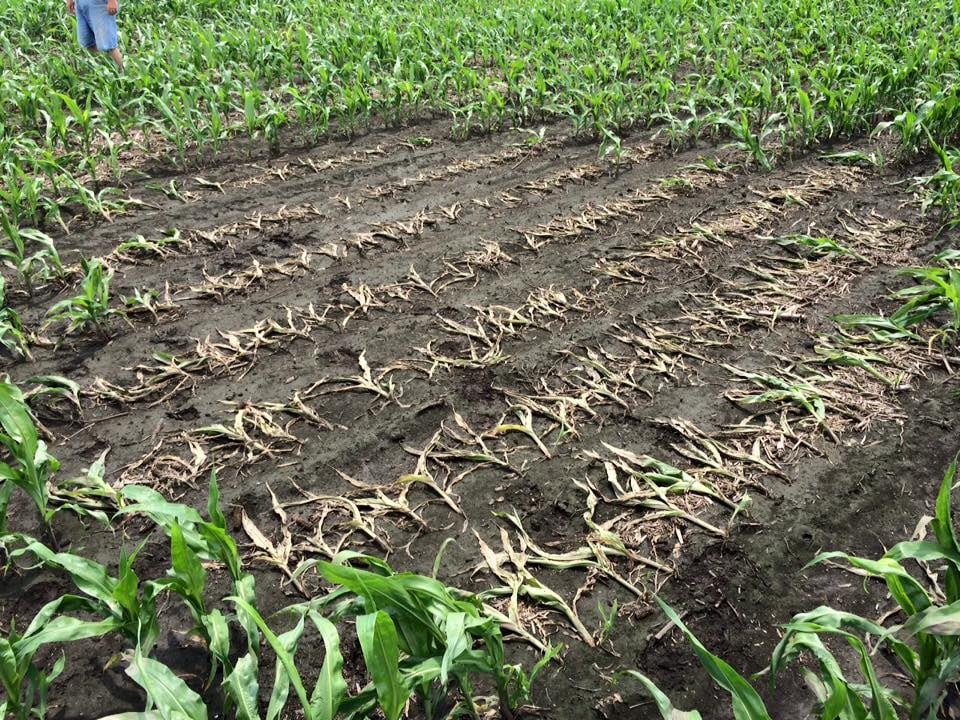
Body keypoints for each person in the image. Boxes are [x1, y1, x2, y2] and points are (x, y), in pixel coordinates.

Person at [66, 0, 124, 72]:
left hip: (99, 3)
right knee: (88, 43)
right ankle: (102, 73)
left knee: (108, 45)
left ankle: (121, 76)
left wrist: (112, 1)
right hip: (79, 3)